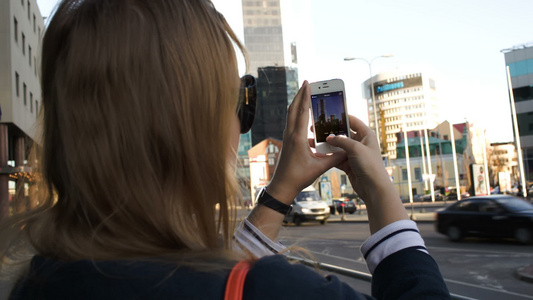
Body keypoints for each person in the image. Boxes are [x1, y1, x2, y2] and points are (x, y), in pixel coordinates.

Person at [1, 0, 450, 299]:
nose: (240, 122)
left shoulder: (40, 280)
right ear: (191, 122)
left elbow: (199, 272)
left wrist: (279, 191)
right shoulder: (273, 291)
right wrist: (384, 198)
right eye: (239, 100)